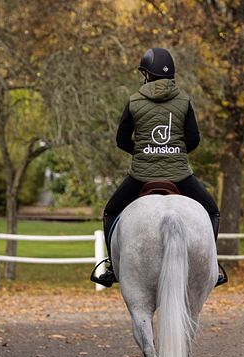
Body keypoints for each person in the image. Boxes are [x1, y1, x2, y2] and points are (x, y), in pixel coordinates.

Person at [91, 47, 227, 288]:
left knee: (111, 212)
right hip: (180, 175)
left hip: (141, 176)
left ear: (147, 74)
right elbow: (193, 140)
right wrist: (173, 152)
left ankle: (113, 267)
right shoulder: (184, 102)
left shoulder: (134, 101)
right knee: (212, 211)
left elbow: (121, 140)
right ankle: (212, 267)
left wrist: (144, 151)